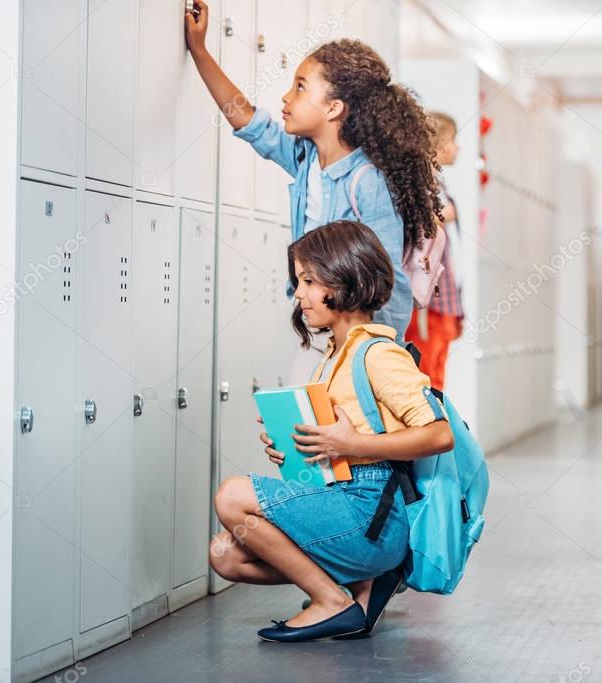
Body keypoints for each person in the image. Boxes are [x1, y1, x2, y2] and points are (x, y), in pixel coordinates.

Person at [208, 221, 454, 643]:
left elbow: (439, 434)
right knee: (225, 555)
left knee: (231, 495)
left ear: (344, 276)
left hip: (369, 513)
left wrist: (350, 442)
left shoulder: (379, 354)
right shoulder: (335, 354)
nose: (298, 294)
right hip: (340, 494)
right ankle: (363, 586)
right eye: (298, 281)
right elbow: (338, 443)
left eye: (308, 281)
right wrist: (296, 446)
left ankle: (333, 602)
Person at [185, 1, 442, 346]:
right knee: (304, 399)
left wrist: (382, 352)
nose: (287, 97)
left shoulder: (368, 182)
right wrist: (200, 51)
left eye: (301, 87)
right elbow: (248, 121)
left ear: (334, 108)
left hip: (358, 336)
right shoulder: (306, 160)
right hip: (321, 326)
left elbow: (390, 277)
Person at [405, 112, 464, 389]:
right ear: (437, 145)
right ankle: (430, 429)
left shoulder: (437, 184)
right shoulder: (417, 184)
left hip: (442, 298)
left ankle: (439, 428)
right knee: (426, 374)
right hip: (429, 301)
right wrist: (442, 214)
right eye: (453, 140)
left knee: (437, 371)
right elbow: (418, 223)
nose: (457, 148)